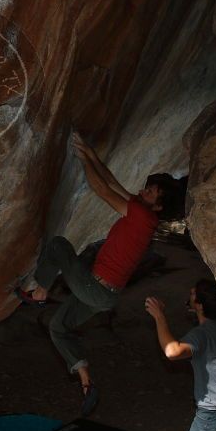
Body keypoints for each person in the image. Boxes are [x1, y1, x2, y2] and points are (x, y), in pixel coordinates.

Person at [18, 131, 177, 416]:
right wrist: (91, 155)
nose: (146, 190)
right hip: (104, 297)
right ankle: (87, 383)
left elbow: (103, 191)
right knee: (58, 326)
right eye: (149, 187)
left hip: (95, 287)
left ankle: (40, 293)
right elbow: (113, 182)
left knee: (59, 245)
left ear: (159, 206)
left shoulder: (143, 217)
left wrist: (83, 163)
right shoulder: (142, 210)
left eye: (152, 192)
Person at [145, 279, 216, 431]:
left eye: (192, 294)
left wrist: (159, 316)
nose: (189, 296)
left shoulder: (202, 334)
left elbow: (172, 351)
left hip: (213, 416)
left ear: (200, 305)